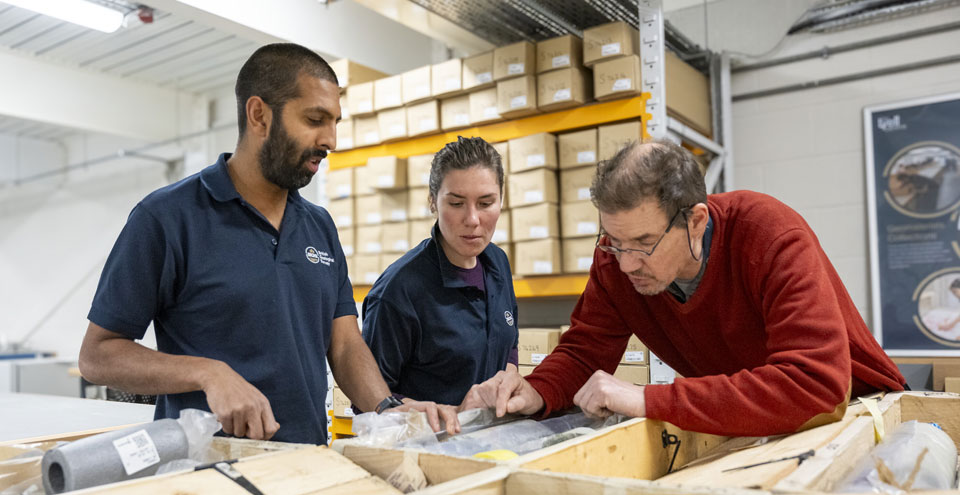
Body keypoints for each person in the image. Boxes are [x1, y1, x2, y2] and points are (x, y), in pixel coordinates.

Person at [78, 43, 458, 444]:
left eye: (335, 122)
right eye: (315, 119)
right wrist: (208, 373)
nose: (330, 139)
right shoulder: (167, 218)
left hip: (306, 464)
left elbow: (344, 343)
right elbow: (97, 355)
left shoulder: (319, 226)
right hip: (206, 476)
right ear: (259, 114)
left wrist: (387, 409)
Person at [462, 140, 906, 437]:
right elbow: (584, 351)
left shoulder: (770, 235)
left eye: (643, 243)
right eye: (614, 241)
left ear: (696, 221)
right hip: (751, 423)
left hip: (855, 417)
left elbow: (815, 385)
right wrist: (537, 391)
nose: (627, 262)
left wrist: (649, 398)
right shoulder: (615, 260)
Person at [361, 136, 519, 406]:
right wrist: (451, 415)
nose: (472, 219)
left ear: (501, 200)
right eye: (456, 204)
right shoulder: (399, 291)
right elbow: (368, 401)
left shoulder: (498, 263)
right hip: (426, 446)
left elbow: (509, 345)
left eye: (485, 203)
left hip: (494, 442)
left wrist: (509, 379)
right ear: (433, 202)